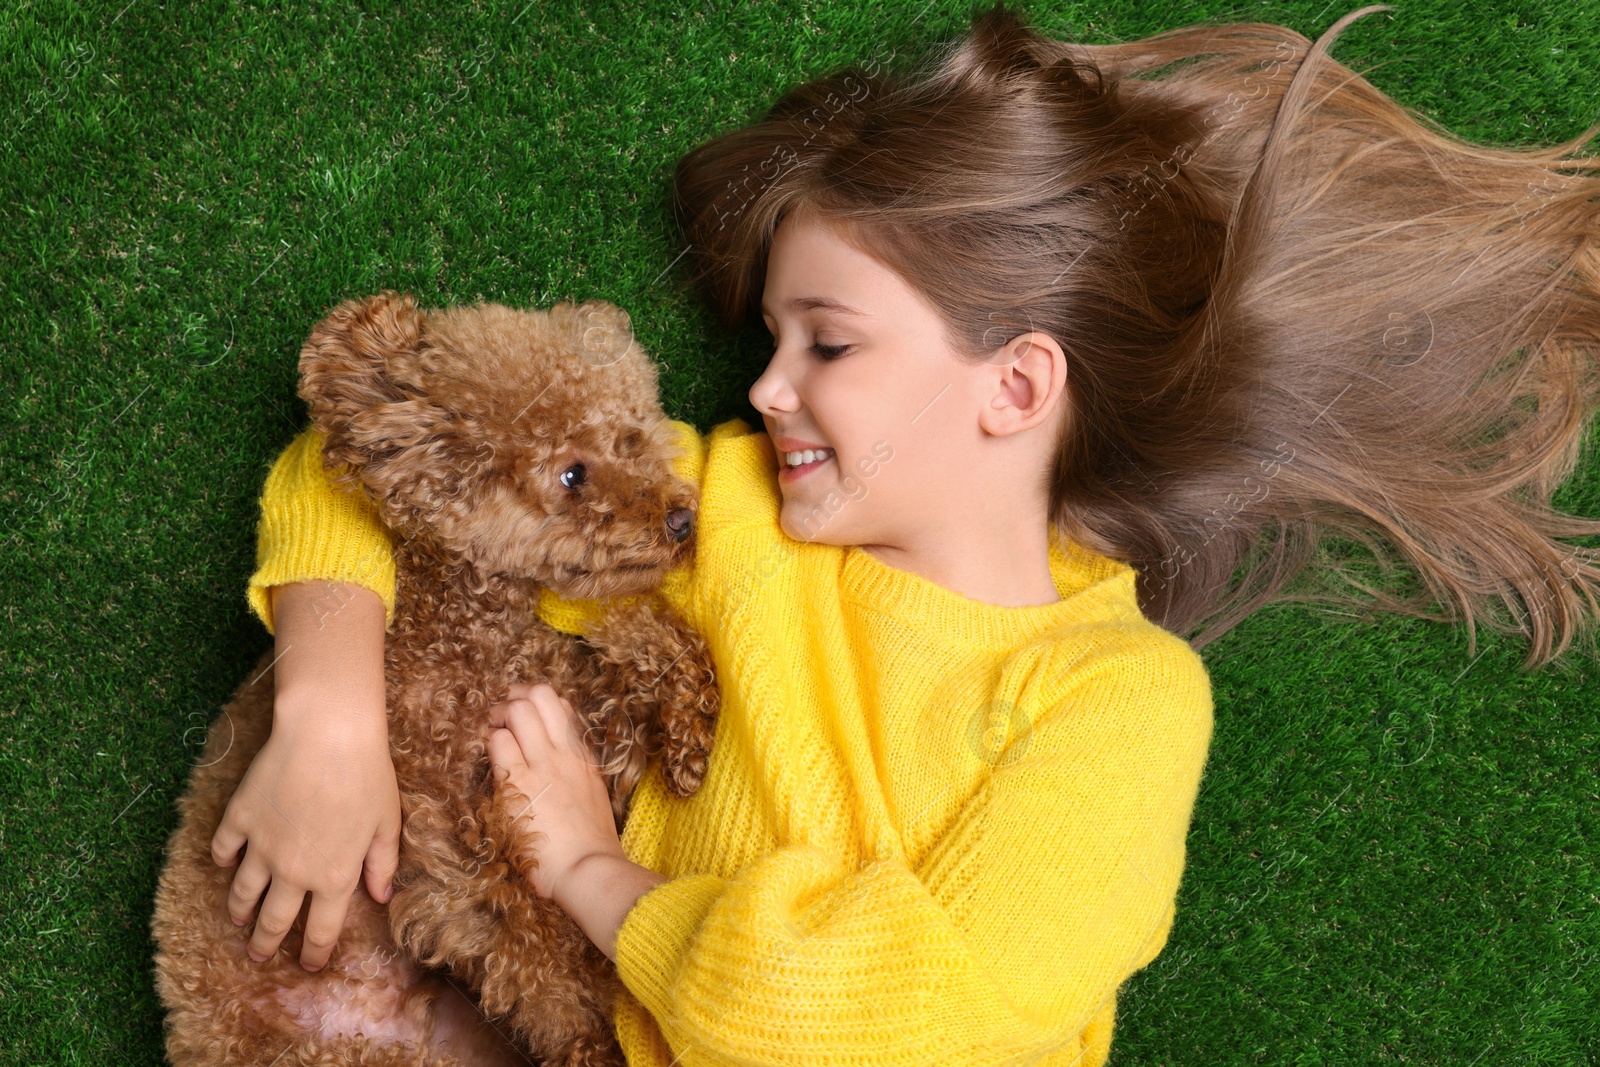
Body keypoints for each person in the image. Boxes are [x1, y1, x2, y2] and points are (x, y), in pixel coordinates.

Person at [208, 2, 1600, 1063]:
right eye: (770, 338)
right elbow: (400, 455)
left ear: (1017, 385)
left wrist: (593, 877)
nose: (765, 387)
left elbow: (921, 1014)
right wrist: (327, 716)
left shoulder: (1115, 696)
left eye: (828, 341)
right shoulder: (730, 512)